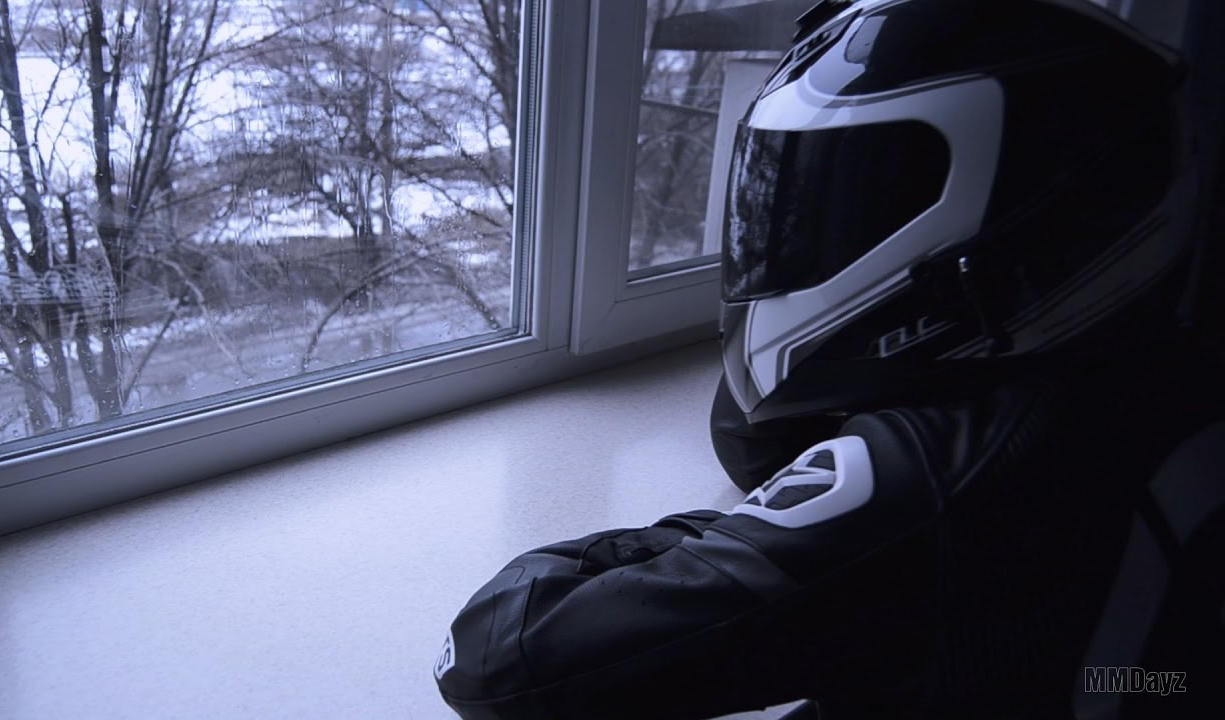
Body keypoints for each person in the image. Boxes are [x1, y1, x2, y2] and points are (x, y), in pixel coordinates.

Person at [434, 1, 1225, 717]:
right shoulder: (1163, 366)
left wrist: (708, 541)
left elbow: (495, 659)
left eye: (869, 194)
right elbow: (758, 439)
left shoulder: (926, 478)